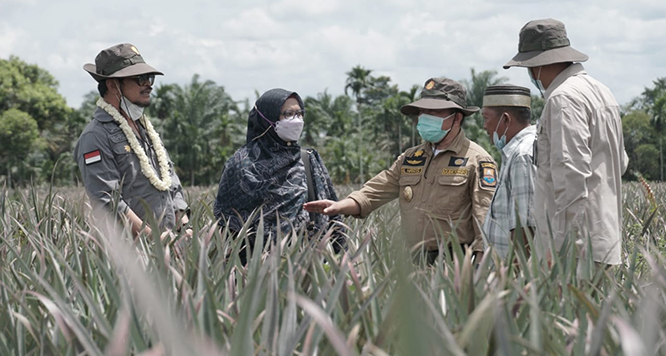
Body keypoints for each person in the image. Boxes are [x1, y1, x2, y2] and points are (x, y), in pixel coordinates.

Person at [304, 77, 497, 264]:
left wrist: (480, 268)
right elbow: (375, 191)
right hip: (413, 262)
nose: (425, 118)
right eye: (422, 112)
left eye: (434, 112)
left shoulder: (476, 160)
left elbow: (485, 221)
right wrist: (340, 205)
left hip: (454, 264)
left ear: (456, 118)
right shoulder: (411, 158)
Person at [503, 19, 628, 268]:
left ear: (538, 64)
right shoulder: (602, 92)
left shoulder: (563, 99)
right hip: (603, 242)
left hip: (574, 250)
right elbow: (621, 163)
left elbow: (571, 178)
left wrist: (560, 249)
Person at [213, 89, 344, 264]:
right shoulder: (240, 165)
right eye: (288, 114)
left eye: (299, 113)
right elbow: (226, 222)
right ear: (267, 117)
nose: (296, 119)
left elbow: (333, 213)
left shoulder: (308, 159)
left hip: (308, 264)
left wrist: (343, 259)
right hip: (255, 269)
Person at [75, 43, 190, 238]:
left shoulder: (146, 129)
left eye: (149, 78)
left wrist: (185, 229)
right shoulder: (95, 137)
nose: (149, 84)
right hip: (134, 255)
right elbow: (108, 201)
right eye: (140, 79)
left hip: (170, 248)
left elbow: (172, 185)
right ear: (112, 85)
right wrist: (154, 238)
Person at [481, 85, 536, 260]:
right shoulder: (516, 151)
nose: (484, 126)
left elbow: (525, 228)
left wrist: (516, 279)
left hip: (511, 277)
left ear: (505, 119)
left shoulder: (522, 155)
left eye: (486, 118)